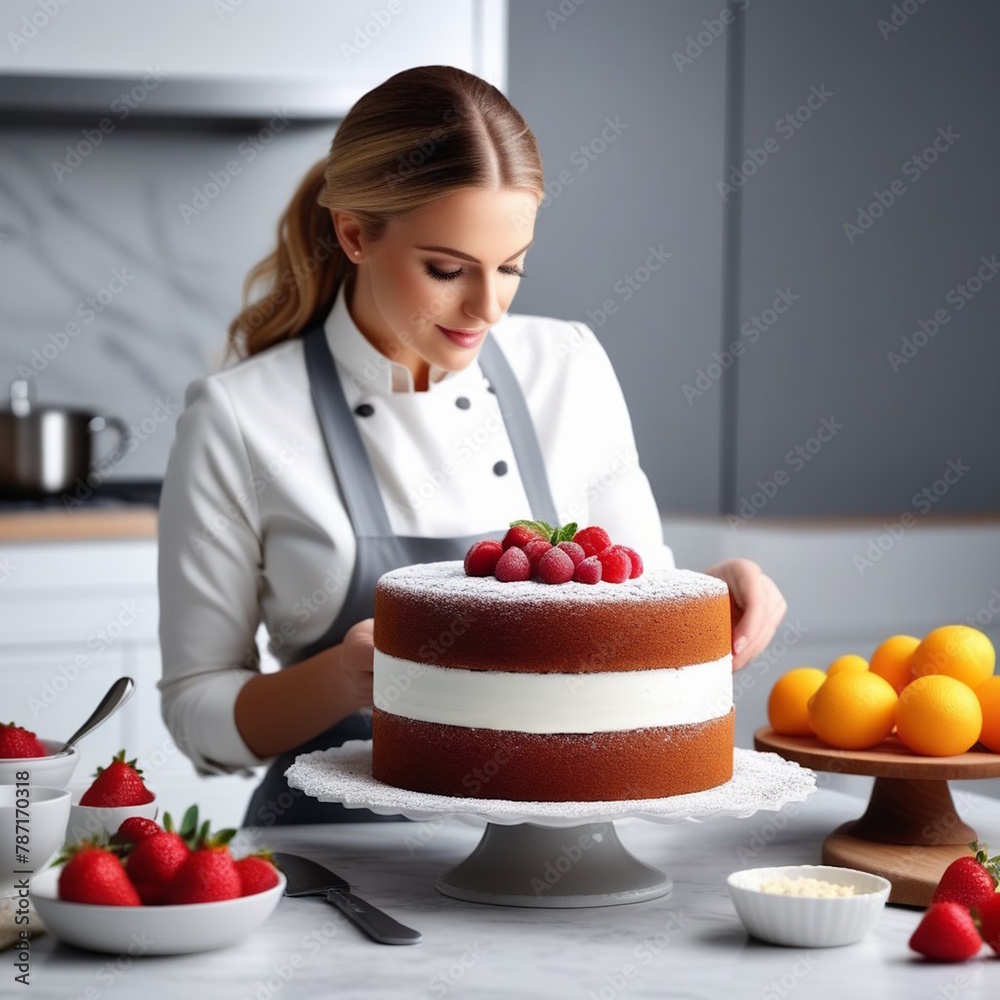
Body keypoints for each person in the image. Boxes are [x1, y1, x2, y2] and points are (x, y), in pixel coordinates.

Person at [156, 65, 787, 827]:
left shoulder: (568, 366)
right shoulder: (239, 416)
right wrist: (347, 678)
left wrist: (703, 596)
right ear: (354, 234)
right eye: (447, 270)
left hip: (566, 840)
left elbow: (626, 617)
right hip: (340, 861)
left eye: (512, 266)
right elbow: (198, 718)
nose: (487, 308)